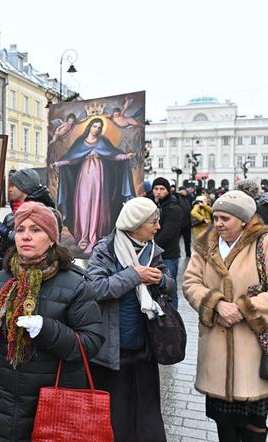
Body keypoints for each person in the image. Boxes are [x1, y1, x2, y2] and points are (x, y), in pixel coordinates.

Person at [0, 202, 104, 441]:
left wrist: (47, 329)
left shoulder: (76, 285)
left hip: (52, 400)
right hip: (1, 398)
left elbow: (91, 343)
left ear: (52, 239)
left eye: (36, 230)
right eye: (20, 230)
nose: (26, 237)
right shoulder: (1, 280)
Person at [183, 190, 268, 442]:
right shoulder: (205, 243)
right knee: (224, 423)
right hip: (216, 352)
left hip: (255, 351)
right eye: (216, 217)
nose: (218, 224)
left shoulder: (267, 243)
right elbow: (191, 283)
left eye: (225, 218)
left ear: (244, 220)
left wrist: (242, 309)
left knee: (255, 423)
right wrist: (216, 305)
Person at [86, 197, 176, 441]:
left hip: (145, 347)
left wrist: (161, 280)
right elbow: (95, 289)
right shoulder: (106, 249)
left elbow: (171, 286)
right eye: (153, 222)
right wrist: (133, 275)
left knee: (146, 411)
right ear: (136, 224)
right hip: (112, 350)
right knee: (117, 412)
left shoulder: (152, 251)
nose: (158, 227)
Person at [52, 117, 136, 254]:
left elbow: (113, 155)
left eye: (99, 127)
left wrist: (125, 156)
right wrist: (59, 163)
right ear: (89, 126)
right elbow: (71, 158)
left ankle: (93, 238)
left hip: (99, 176)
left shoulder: (102, 141)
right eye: (94, 126)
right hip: (83, 176)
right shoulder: (80, 142)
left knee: (96, 205)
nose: (96, 129)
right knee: (83, 206)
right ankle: (83, 237)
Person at [0, 168, 42, 269]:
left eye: (14, 185)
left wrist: (7, 233)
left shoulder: (43, 213)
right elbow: (4, 251)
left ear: (25, 187)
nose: (9, 189)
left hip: (29, 274)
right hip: (6, 273)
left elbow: (34, 240)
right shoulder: (10, 217)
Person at [152, 177, 183, 307]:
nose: (158, 192)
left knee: (169, 289)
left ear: (168, 190)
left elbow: (167, 233)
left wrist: (152, 247)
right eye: (156, 188)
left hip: (168, 255)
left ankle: (173, 318)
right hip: (156, 254)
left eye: (162, 189)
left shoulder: (173, 208)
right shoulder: (153, 204)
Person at [176, 187, 193, 257]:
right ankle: (177, 254)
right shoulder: (177, 198)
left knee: (187, 241)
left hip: (187, 224)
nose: (185, 192)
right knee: (176, 241)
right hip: (180, 224)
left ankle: (188, 254)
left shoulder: (186, 199)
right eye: (184, 191)